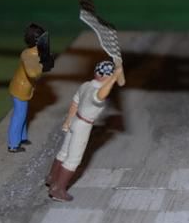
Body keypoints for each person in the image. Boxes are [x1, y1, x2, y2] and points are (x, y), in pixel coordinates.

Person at [46, 60, 124, 202]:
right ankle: (58, 190)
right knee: (73, 159)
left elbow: (75, 103)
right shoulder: (98, 90)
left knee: (64, 152)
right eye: (110, 75)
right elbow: (100, 95)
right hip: (83, 125)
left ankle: (52, 178)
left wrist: (68, 121)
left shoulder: (86, 85)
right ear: (106, 76)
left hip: (75, 119)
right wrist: (114, 78)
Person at [7, 23, 54, 152]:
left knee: (23, 114)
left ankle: (22, 137)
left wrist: (45, 59)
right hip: (20, 89)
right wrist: (42, 65)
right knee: (19, 116)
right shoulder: (28, 55)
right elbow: (32, 73)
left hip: (24, 89)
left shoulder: (34, 52)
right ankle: (13, 144)